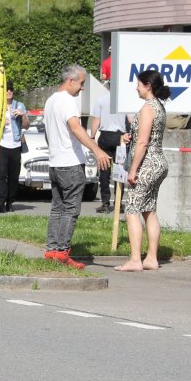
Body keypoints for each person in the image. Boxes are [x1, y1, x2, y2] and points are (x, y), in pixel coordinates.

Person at [44, 65, 111, 269]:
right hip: (70, 163)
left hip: (55, 163)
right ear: (71, 81)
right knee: (71, 209)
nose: (82, 88)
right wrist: (97, 150)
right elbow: (76, 128)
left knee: (57, 208)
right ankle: (62, 253)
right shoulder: (67, 101)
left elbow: (49, 133)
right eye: (81, 83)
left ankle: (52, 251)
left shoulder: (51, 100)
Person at [116, 70, 172, 272]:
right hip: (159, 163)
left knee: (132, 210)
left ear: (148, 85)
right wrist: (129, 136)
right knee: (150, 210)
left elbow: (143, 143)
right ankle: (151, 258)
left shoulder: (148, 108)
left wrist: (133, 170)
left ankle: (134, 260)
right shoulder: (159, 106)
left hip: (147, 165)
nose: (136, 88)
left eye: (139, 84)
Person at [90, 74, 128, 214]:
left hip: (105, 137)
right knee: (120, 170)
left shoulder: (101, 99)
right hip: (120, 137)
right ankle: (118, 203)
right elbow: (131, 120)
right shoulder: (124, 100)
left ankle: (105, 203)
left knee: (104, 170)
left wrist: (92, 136)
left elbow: (96, 120)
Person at [0, 81, 29, 212]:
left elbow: (26, 126)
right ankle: (0, 201)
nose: (9, 92)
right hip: (2, 145)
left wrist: (22, 115)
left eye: (11, 89)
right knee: (1, 174)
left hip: (16, 145)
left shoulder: (19, 105)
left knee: (14, 176)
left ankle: (10, 202)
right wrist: (1, 123)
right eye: (6, 89)